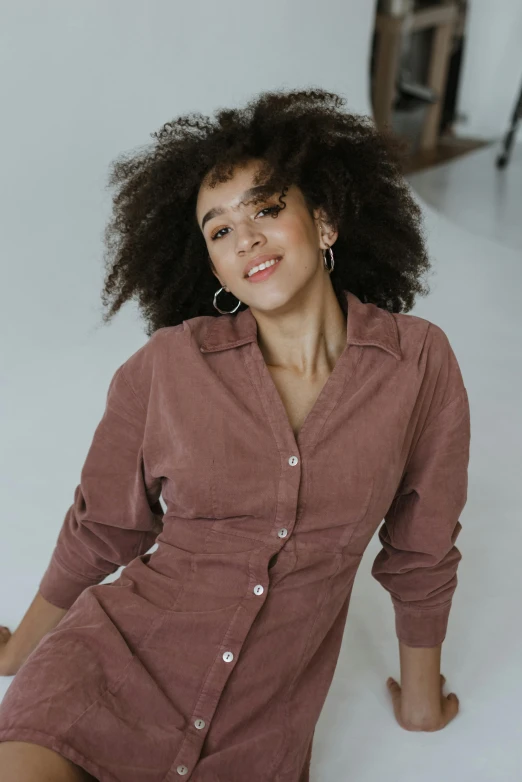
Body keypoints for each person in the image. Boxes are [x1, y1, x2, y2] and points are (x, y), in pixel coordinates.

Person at [0, 87, 470, 781]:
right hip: (100, 676)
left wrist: (421, 702)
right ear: (214, 267)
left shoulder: (417, 363)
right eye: (219, 230)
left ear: (325, 220)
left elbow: (422, 548)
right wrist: (18, 656)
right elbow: (101, 529)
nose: (245, 236)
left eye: (268, 208)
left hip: (259, 735)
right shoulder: (167, 367)